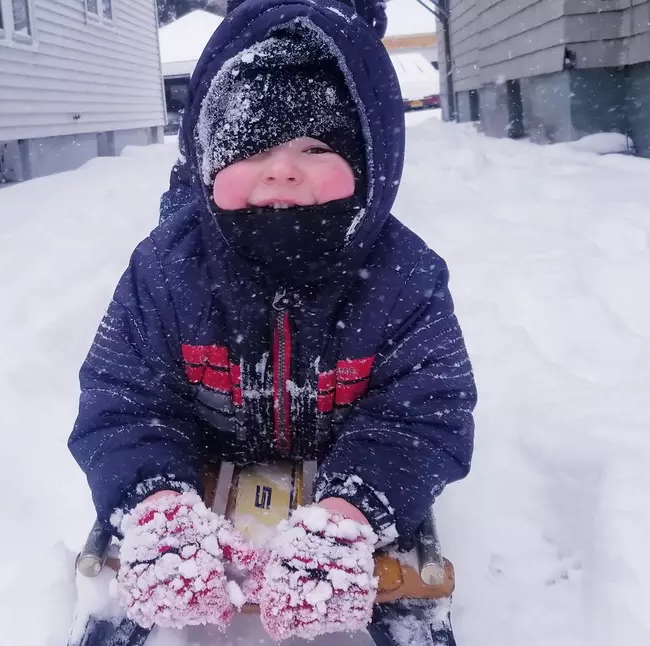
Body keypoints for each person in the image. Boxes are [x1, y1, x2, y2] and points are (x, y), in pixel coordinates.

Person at [68, 0, 476, 643]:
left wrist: (354, 508)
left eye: (315, 146)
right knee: (138, 556)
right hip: (204, 456)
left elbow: (424, 415)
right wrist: (155, 503)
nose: (282, 168)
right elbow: (124, 402)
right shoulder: (167, 273)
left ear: (372, 163)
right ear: (207, 162)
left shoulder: (405, 277)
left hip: (348, 462)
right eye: (249, 147)